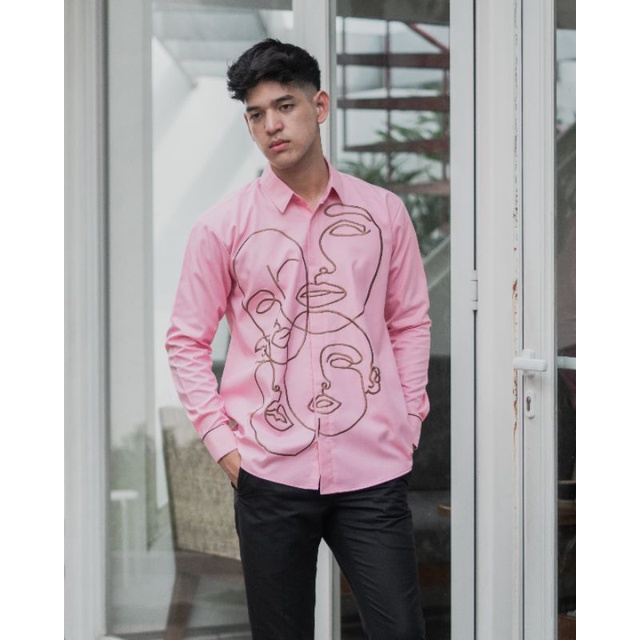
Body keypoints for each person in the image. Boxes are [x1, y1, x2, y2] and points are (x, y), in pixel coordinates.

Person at [166, 38, 432, 640]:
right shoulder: (221, 227)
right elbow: (186, 341)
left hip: (372, 469)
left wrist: (408, 417)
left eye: (284, 106)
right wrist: (224, 445)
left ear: (320, 105)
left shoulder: (384, 213)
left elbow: (410, 321)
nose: (271, 126)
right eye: (256, 115)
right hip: (268, 472)